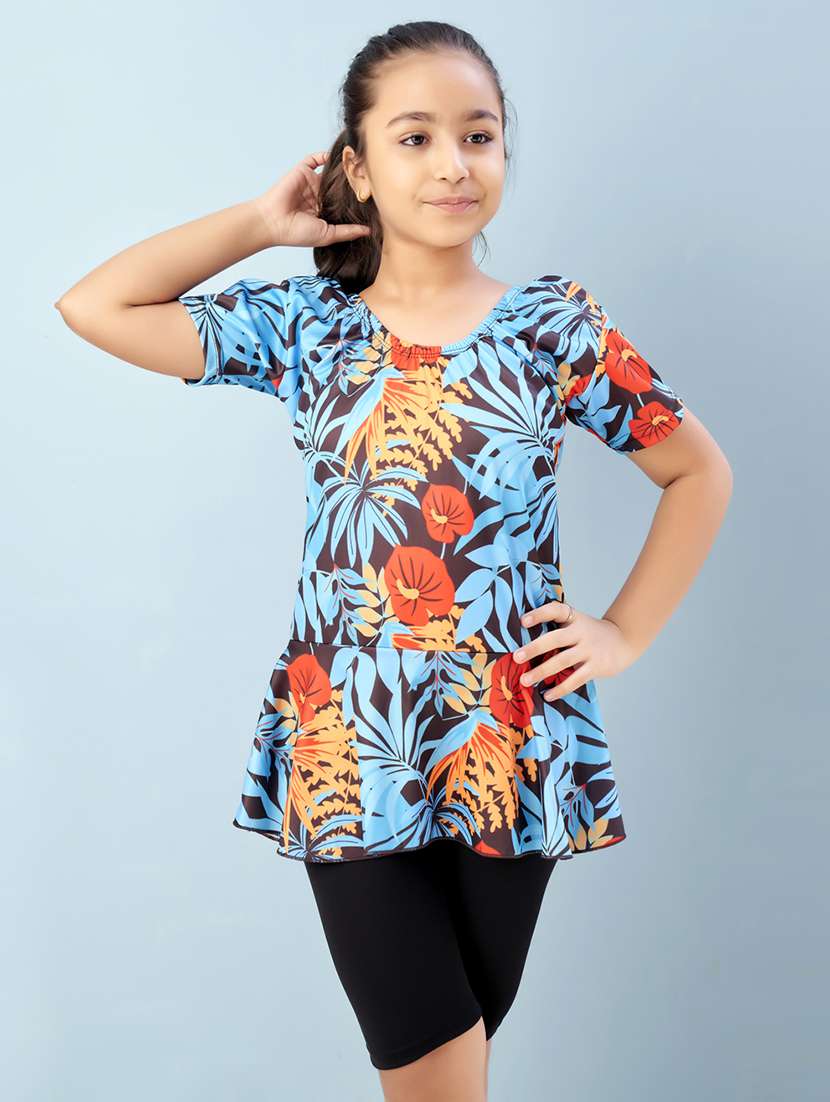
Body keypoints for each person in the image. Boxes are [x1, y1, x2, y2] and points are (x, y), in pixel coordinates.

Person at [54, 18, 732, 1102]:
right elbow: (95, 305)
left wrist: (622, 631)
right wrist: (259, 224)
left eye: (479, 135)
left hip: (507, 740)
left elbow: (698, 472)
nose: (453, 163)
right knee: (433, 1076)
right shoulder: (308, 326)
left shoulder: (553, 327)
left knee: (453, 1076)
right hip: (348, 744)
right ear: (356, 168)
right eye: (414, 138)